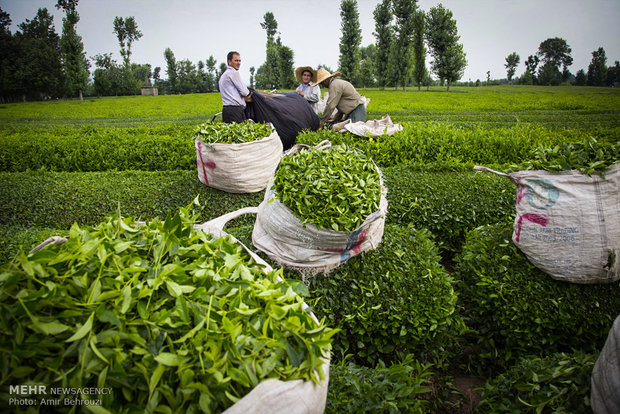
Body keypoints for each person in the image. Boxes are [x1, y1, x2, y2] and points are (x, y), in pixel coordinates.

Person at [218, 51, 253, 123]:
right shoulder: (233, 73)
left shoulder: (223, 75)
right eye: (236, 60)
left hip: (226, 110)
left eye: (239, 61)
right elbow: (244, 92)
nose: (238, 63)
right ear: (229, 62)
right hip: (235, 110)